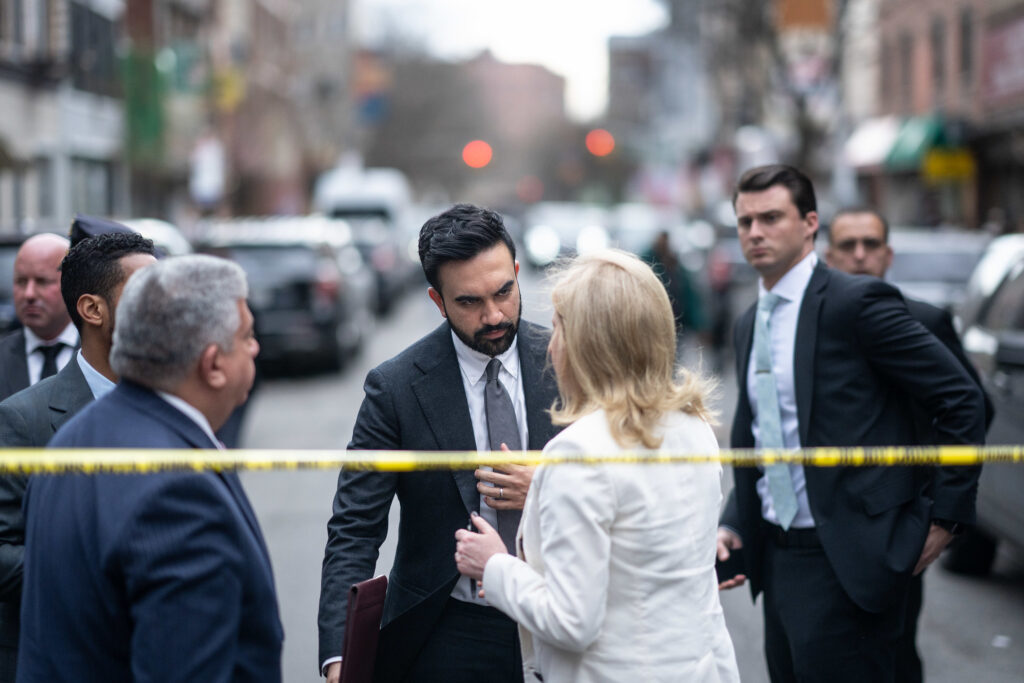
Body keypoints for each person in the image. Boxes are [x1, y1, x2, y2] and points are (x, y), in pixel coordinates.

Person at [717, 164, 986, 683]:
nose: (755, 232)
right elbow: (769, 435)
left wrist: (944, 519)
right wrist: (735, 520)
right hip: (777, 559)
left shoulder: (856, 302)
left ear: (810, 223)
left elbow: (961, 399)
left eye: (771, 217)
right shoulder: (751, 319)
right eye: (745, 221)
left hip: (849, 559)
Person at [454, 248, 740, 683]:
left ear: (587, 343)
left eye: (557, 329)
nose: (550, 346)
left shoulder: (578, 453)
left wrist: (494, 564)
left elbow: (572, 622)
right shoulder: (692, 426)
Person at [317, 204, 561, 683]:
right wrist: (339, 654)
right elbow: (355, 526)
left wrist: (548, 486)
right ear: (437, 299)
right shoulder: (396, 387)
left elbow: (623, 483)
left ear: (516, 273)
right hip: (449, 630)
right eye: (469, 302)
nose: (493, 315)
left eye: (504, 292)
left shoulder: (570, 362)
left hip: (559, 612)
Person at [17, 255, 282, 682]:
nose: (255, 347)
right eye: (246, 335)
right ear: (212, 364)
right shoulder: (178, 493)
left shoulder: (70, 440)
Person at [825, 207, 994, 683]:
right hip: (822, 524)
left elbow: (973, 405)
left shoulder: (922, 319)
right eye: (848, 245)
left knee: (893, 655)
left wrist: (942, 511)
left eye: (871, 244)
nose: (860, 255)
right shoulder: (814, 326)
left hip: (898, 524)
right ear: (828, 255)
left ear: (888, 253)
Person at [0, 232, 156, 682]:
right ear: (93, 309)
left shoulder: (182, 408)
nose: (166, 306)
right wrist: (105, 569)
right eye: (146, 293)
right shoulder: (21, 419)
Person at [0, 234, 78, 401]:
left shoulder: (101, 355)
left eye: (42, 281)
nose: (29, 294)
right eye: (21, 281)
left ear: (72, 283)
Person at [641, 230, 707, 350]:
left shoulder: (673, 262)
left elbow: (687, 294)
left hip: (676, 322)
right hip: (656, 322)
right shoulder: (649, 261)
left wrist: (697, 323)